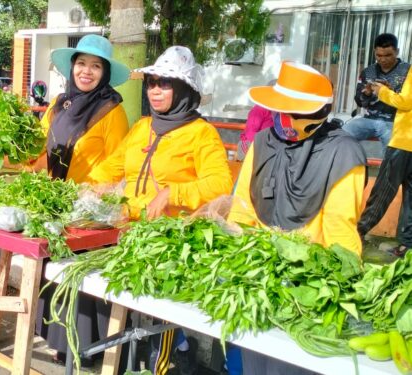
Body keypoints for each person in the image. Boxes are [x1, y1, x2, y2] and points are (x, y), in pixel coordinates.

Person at [88, 46, 233, 374]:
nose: (154, 89)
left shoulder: (201, 134)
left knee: (157, 320)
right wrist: (89, 187)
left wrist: (174, 192)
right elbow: (113, 167)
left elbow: (220, 185)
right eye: (152, 82)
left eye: (164, 83)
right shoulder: (142, 127)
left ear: (184, 90)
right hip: (129, 232)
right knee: (129, 313)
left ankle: (166, 362)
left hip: (170, 241)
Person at [228, 61, 366, 373]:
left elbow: (340, 229)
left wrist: (335, 290)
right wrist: (238, 262)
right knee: (253, 363)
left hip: (307, 290)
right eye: (279, 109)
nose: (283, 118)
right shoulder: (262, 143)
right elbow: (242, 209)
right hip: (256, 279)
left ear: (318, 114)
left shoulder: (343, 154)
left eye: (293, 110)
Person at [28, 33, 131, 368]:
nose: (87, 72)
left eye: (95, 66)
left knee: (82, 279)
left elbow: (118, 162)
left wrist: (85, 191)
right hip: (54, 203)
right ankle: (60, 343)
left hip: (88, 210)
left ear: (104, 73)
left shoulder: (112, 111)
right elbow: (40, 147)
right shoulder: (60, 104)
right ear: (72, 68)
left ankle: (88, 350)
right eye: (82, 64)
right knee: (56, 272)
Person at [357, 52, 412, 257]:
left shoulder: (410, 72)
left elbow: (406, 102)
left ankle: (358, 232)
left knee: (383, 190)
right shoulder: (370, 71)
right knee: (411, 199)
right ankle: (407, 246)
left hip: (404, 142)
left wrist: (382, 92)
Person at [343, 33, 410, 156]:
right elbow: (359, 101)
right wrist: (367, 94)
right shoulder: (368, 72)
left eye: (388, 55)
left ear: (397, 52)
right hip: (368, 119)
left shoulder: (407, 71)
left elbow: (407, 102)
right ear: (374, 52)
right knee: (340, 135)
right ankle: (350, 169)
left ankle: (388, 175)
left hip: (394, 121)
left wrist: (390, 92)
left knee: (394, 152)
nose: (383, 59)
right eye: (378, 55)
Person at [236, 80, 276, 161]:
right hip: (251, 145)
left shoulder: (278, 111)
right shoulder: (259, 109)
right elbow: (250, 132)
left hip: (268, 146)